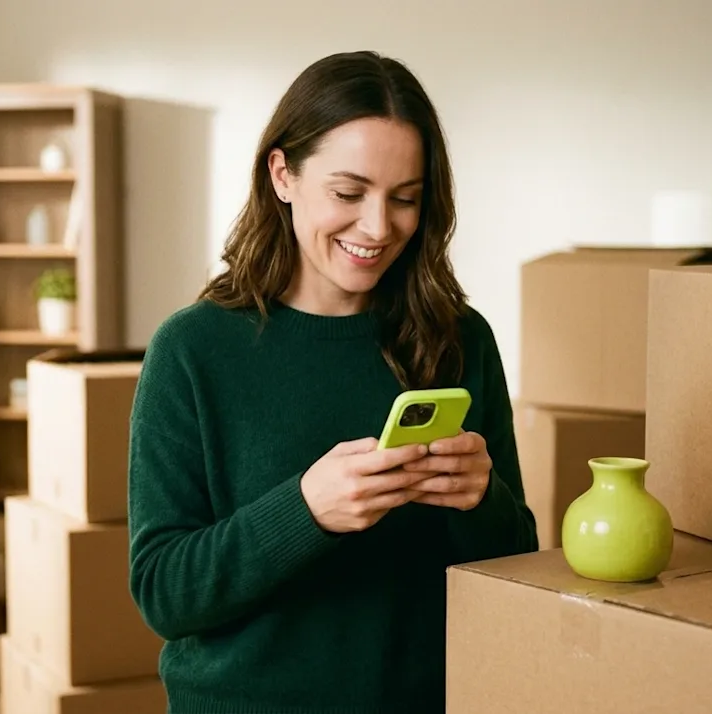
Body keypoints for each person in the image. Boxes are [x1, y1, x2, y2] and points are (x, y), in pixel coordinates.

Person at [127, 50, 538, 713]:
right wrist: (306, 511)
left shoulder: (460, 340)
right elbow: (163, 594)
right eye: (348, 194)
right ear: (282, 173)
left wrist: (481, 498)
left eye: (405, 198)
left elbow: (517, 564)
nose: (379, 228)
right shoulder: (193, 350)